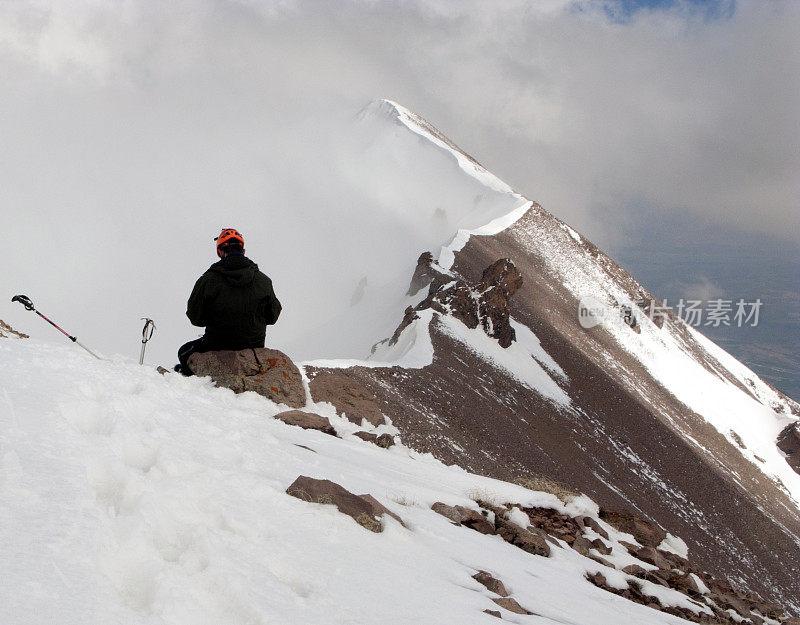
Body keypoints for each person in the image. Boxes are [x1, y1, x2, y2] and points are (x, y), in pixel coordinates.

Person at [176, 228, 282, 375]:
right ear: (243, 251)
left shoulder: (208, 280)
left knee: (183, 352)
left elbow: (195, 317)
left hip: (216, 345)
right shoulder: (263, 280)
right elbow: (272, 316)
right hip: (254, 347)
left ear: (219, 251)